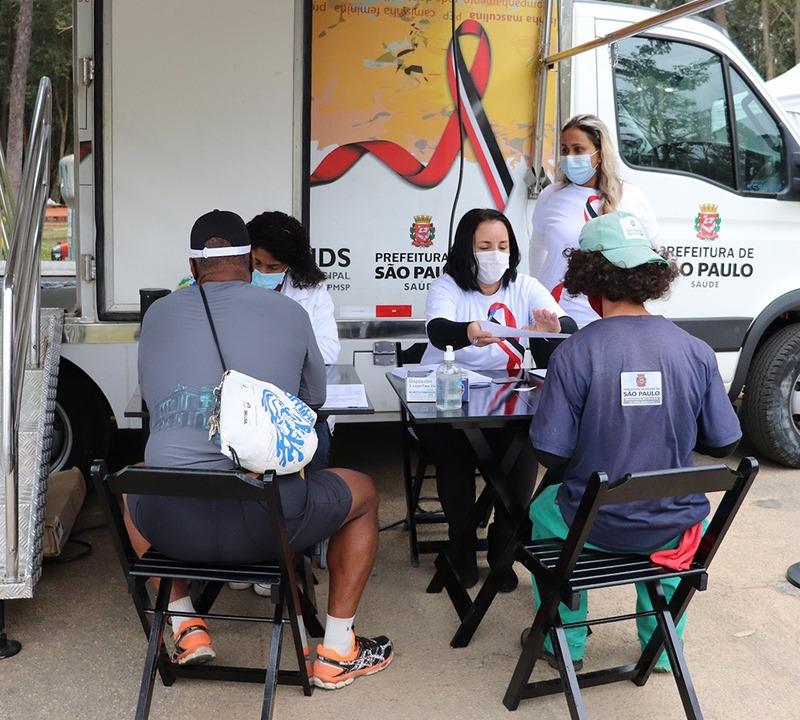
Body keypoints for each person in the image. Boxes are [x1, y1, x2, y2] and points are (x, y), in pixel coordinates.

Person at [126, 210, 392, 689]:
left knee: (133, 480)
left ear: (192, 265)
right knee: (365, 492)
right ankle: (337, 651)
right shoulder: (289, 313)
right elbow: (313, 399)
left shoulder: (158, 314)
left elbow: (150, 395)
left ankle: (185, 624)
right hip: (269, 525)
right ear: (250, 260)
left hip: (172, 525)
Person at [528, 211, 741, 671]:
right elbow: (723, 442)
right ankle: (660, 650)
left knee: (541, 509)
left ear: (590, 279)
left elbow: (551, 451)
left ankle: (567, 643)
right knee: (670, 508)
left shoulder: (574, 352)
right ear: (650, 277)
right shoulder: (696, 350)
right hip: (674, 525)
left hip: (596, 526)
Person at [419, 208, 577, 591]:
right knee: (455, 461)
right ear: (466, 248)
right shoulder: (447, 286)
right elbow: (438, 330)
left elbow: (567, 326)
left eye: (503, 246)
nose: (496, 254)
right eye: (485, 245)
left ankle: (503, 548)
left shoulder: (525, 286)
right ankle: (461, 547)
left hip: (508, 397)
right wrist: (469, 331)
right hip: (451, 396)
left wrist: (552, 328)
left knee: (522, 458)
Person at [530, 113, 659, 328]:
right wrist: (539, 296)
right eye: (565, 150)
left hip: (613, 319)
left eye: (578, 149)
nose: (569, 157)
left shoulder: (631, 197)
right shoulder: (550, 196)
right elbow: (537, 249)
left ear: (599, 154)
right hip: (557, 317)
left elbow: (651, 253)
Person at [246, 210, 340, 474]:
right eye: (256, 263)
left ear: (290, 264)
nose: (262, 271)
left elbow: (329, 349)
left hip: (299, 402)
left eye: (273, 267)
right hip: (247, 400)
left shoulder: (311, 291)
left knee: (315, 453)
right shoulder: (235, 285)